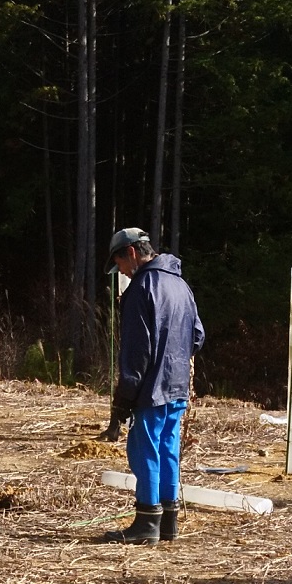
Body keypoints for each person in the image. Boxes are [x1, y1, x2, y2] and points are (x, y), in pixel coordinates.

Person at [98, 228, 204, 545]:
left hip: (151, 388)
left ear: (131, 253)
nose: (122, 272)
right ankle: (168, 523)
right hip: (177, 385)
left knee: (144, 452)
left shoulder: (141, 288)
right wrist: (174, 357)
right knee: (168, 450)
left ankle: (146, 523)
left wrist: (123, 400)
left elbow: (136, 353)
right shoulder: (181, 285)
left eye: (120, 264)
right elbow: (197, 337)